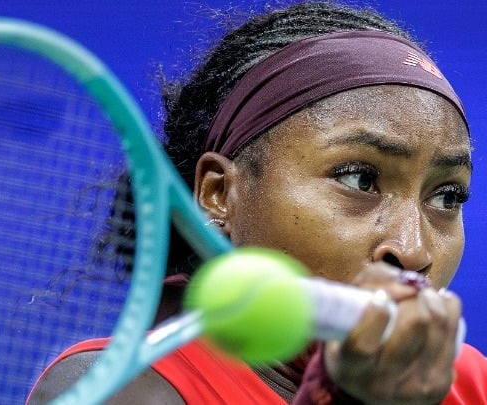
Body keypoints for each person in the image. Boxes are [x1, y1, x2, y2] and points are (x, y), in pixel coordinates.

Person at [29, 1, 487, 403]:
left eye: (447, 197)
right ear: (219, 194)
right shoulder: (117, 389)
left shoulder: (473, 380)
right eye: (358, 179)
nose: (413, 250)